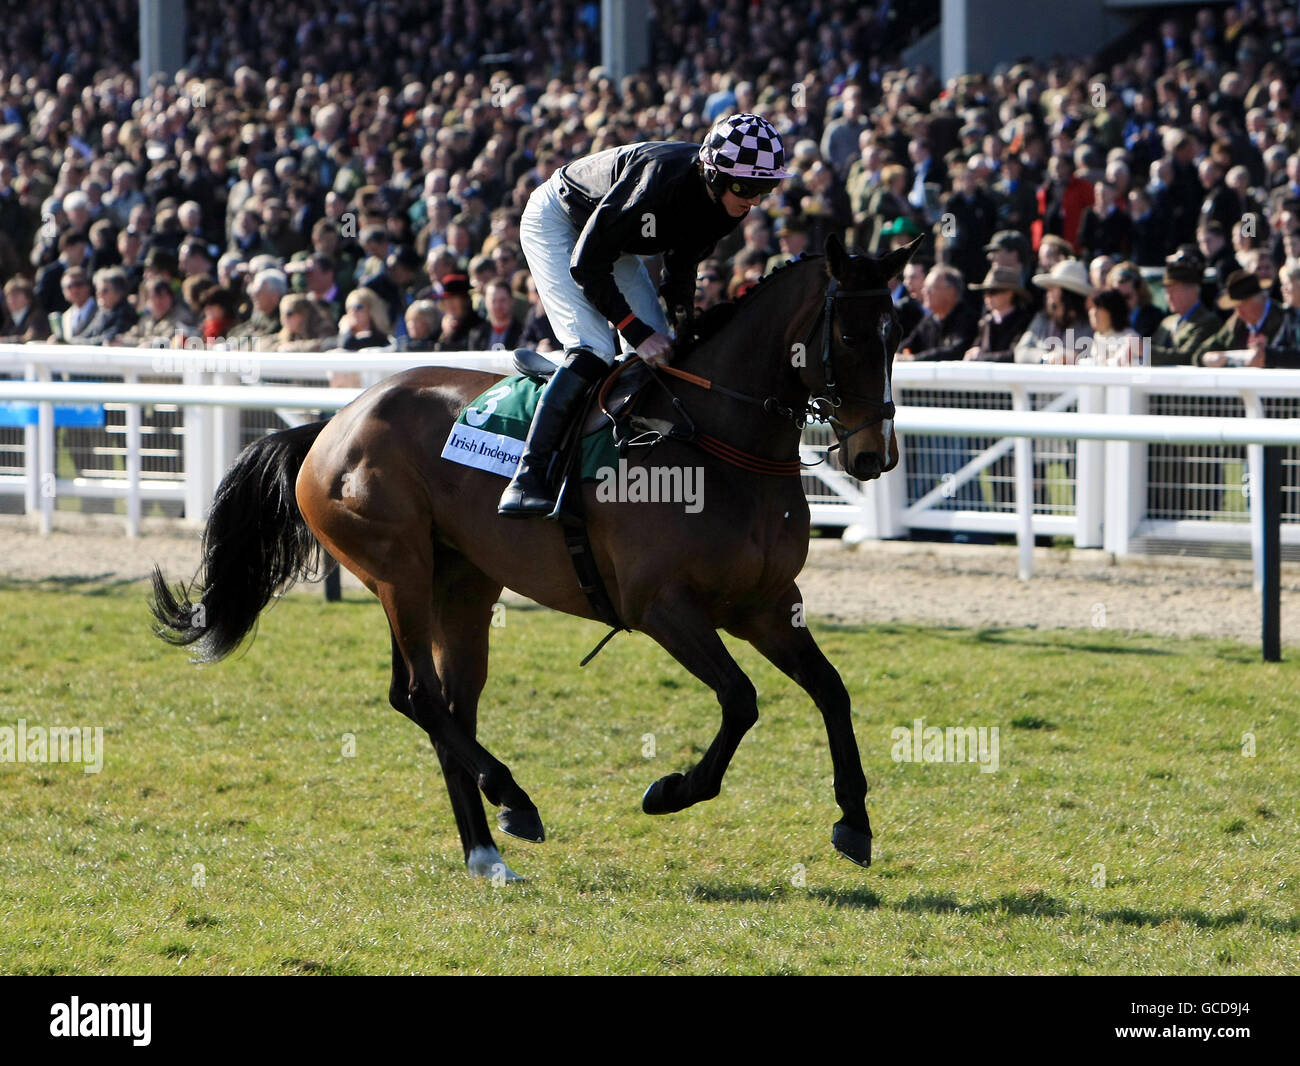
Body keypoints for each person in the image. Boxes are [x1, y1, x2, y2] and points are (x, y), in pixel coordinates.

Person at [499, 113, 791, 517]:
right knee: (595, 348)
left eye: (766, 187)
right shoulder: (659, 179)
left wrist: (685, 331)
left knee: (659, 355)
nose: (755, 200)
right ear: (712, 173)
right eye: (745, 187)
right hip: (558, 220)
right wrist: (634, 331)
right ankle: (527, 478)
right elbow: (586, 265)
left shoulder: (726, 206)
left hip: (609, 240)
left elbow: (680, 271)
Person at [1149, 248, 1222, 366]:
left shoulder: (1208, 321)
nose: (1169, 297)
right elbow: (1153, 348)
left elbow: (1188, 358)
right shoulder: (1167, 322)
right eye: (1167, 292)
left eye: (1174, 291)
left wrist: (1144, 350)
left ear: (1192, 291)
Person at [1014, 259, 1095, 363]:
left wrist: (1070, 358)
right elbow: (1020, 352)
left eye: (1052, 288)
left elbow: (1094, 357)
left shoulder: (1089, 325)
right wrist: (1046, 358)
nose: (1047, 293)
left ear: (1067, 293)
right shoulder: (1042, 319)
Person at [1201, 269, 1285, 365]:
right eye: (1235, 307)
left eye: (1241, 305)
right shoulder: (1236, 322)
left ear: (1258, 299)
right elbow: (1204, 351)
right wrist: (1207, 357)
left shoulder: (1285, 318)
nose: (1238, 312)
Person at [896, 265, 978, 361]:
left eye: (930, 288)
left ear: (950, 292)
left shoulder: (967, 319)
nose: (924, 291)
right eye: (924, 287)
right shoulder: (929, 320)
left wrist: (914, 359)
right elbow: (910, 344)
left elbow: (956, 352)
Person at [963, 266, 1034, 362]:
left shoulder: (1023, 321)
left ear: (1010, 293)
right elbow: (976, 349)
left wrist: (982, 357)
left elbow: (1015, 355)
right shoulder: (986, 321)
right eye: (985, 292)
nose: (987, 297)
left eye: (993, 291)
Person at [1085, 288, 1144, 365]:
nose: (1093, 312)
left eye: (1099, 308)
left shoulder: (1131, 338)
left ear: (1112, 312)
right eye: (1091, 308)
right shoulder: (1098, 336)